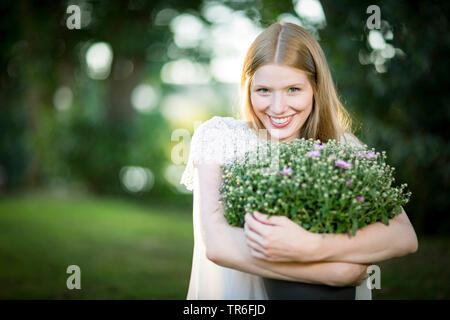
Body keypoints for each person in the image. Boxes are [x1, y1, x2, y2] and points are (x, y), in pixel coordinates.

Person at [180, 22, 418, 300]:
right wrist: (336, 273)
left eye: (293, 89)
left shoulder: (343, 147)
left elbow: (403, 237)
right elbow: (219, 245)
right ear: (248, 88)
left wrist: (312, 246)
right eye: (264, 90)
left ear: (316, 88)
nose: (278, 107)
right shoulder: (220, 137)